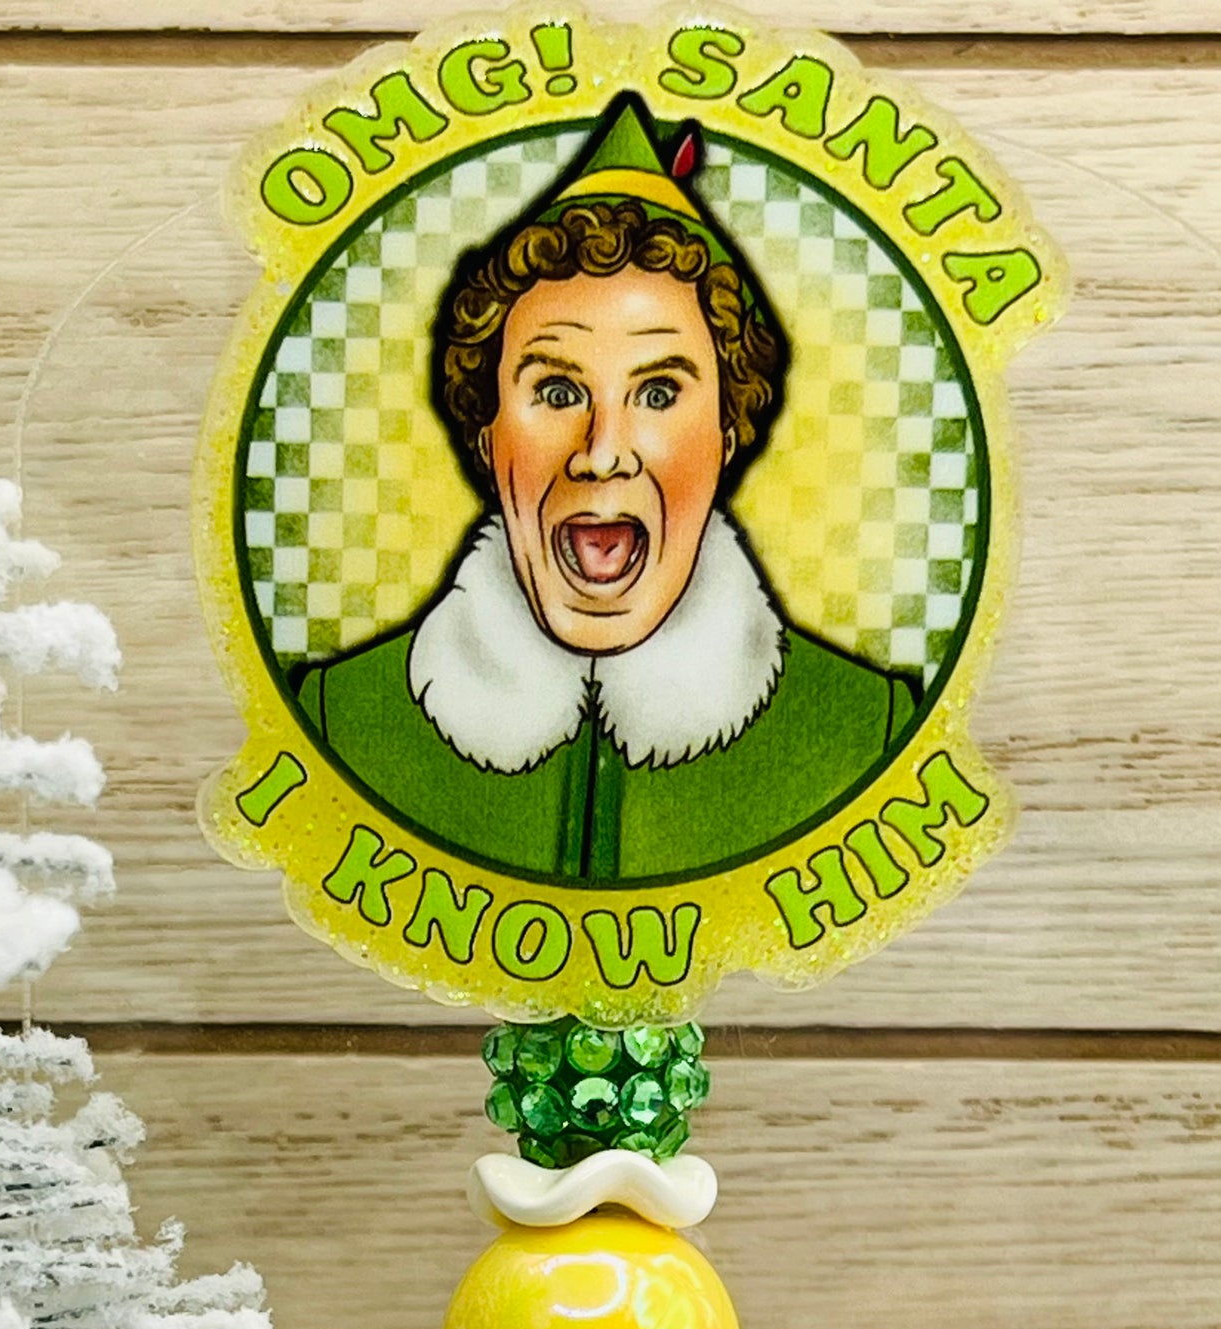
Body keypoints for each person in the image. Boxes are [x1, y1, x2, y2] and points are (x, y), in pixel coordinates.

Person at [289, 95, 921, 884]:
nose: (603, 452)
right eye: (557, 392)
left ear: (726, 435)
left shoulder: (867, 731)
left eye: (658, 393)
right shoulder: (339, 721)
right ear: (488, 435)